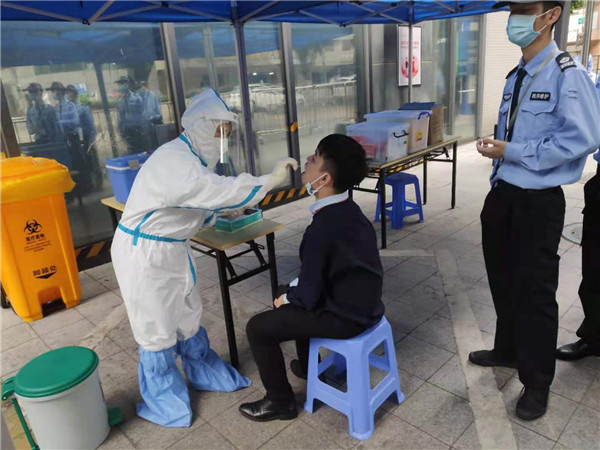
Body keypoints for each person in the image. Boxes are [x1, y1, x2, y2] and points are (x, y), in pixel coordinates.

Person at [110, 88, 298, 428]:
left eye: (228, 132)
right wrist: (268, 181)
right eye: (219, 131)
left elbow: (194, 200)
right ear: (200, 126)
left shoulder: (193, 160)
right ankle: (163, 398)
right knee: (156, 326)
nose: (224, 139)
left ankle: (201, 371)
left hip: (171, 248)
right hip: (144, 254)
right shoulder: (173, 160)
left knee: (186, 314)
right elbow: (210, 190)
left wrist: (221, 210)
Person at [471, 0, 600, 421]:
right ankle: (507, 350)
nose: (515, 20)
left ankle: (537, 381)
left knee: (535, 294)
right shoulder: (517, 75)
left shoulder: (568, 75)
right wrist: (500, 157)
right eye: (513, 10)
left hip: (538, 202)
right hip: (503, 194)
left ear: (552, 15)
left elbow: (582, 138)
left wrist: (513, 151)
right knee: (502, 280)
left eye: (525, 9)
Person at [239, 134, 384, 422]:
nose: (307, 161)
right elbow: (320, 275)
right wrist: (289, 295)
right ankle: (309, 368)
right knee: (286, 293)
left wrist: (287, 298)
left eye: (314, 158)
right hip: (364, 303)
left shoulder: (323, 227)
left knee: (258, 327)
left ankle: (280, 402)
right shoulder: (348, 209)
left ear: (325, 179)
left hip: (347, 317)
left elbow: (308, 296)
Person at [66, 84, 103, 191]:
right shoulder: (67, 109)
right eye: (66, 92)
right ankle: (88, 184)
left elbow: (90, 125)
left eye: (70, 92)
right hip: (75, 140)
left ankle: (98, 183)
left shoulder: (82, 108)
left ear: (75, 94)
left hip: (86, 138)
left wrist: (91, 140)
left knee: (92, 161)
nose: (68, 95)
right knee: (82, 163)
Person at [115, 76, 146, 153]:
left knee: (140, 151)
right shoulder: (120, 101)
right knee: (130, 151)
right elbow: (120, 117)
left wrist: (144, 129)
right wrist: (120, 130)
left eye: (122, 83)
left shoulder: (136, 98)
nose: (121, 86)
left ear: (127, 84)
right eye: (119, 84)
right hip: (127, 131)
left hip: (137, 129)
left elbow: (143, 113)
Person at [139, 81, 163, 149]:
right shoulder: (139, 96)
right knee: (147, 141)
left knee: (155, 140)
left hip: (154, 120)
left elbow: (155, 108)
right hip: (145, 123)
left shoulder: (152, 95)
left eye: (143, 86)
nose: (142, 88)